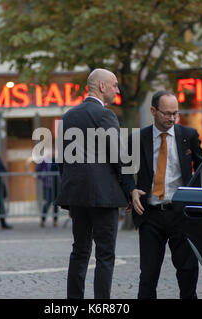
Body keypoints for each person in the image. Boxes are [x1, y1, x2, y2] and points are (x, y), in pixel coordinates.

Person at [122, 90, 202, 299]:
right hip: (150, 214)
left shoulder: (189, 135)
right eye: (166, 113)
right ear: (153, 111)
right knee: (148, 274)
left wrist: (195, 195)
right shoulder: (138, 138)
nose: (171, 118)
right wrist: (131, 190)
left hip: (181, 213)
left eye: (175, 113)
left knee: (187, 272)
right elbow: (123, 169)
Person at [56, 69, 128, 299]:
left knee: (79, 252)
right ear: (102, 86)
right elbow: (118, 156)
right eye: (115, 85)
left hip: (77, 196)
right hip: (103, 197)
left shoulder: (68, 116)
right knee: (105, 255)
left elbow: (62, 160)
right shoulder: (105, 115)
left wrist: (70, 198)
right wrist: (130, 190)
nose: (118, 90)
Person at [36, 154, 60, 228]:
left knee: (56, 202)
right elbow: (38, 170)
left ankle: (55, 220)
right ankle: (43, 220)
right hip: (48, 184)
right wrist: (43, 177)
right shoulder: (44, 159)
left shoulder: (58, 158)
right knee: (48, 201)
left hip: (57, 184)